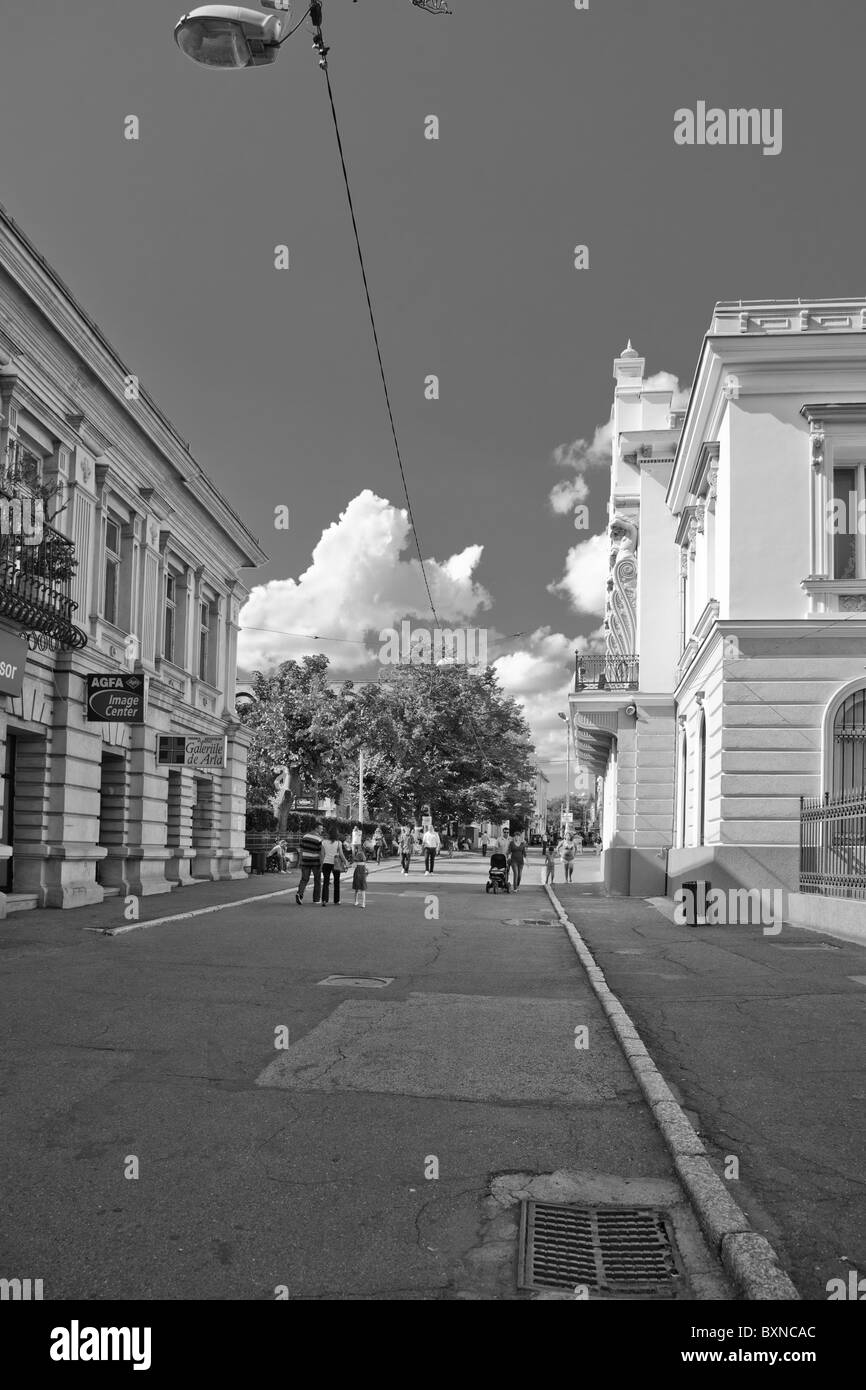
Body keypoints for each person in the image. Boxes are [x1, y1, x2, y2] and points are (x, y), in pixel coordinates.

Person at [296, 820, 325, 905]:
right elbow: (321, 853)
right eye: (321, 829)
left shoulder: (305, 837)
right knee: (317, 880)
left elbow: (301, 850)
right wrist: (322, 864)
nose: (322, 830)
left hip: (305, 861)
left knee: (304, 879)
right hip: (315, 862)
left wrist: (300, 861)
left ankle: (299, 894)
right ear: (316, 828)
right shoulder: (320, 839)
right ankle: (316, 899)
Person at [321, 825, 347, 906]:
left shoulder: (323, 842)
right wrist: (346, 862)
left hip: (326, 863)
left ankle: (324, 900)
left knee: (326, 882)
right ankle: (336, 900)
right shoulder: (339, 843)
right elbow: (341, 855)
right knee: (336, 882)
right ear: (337, 834)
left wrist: (321, 865)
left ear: (329, 833)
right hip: (336, 864)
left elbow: (322, 855)